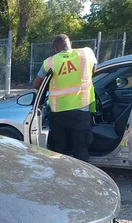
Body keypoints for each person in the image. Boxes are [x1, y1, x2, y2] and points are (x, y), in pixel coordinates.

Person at [33, 34, 97, 162]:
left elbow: (37, 84)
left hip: (59, 112)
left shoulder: (49, 62)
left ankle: (59, 173)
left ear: (55, 48)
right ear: (70, 44)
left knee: (58, 150)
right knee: (81, 149)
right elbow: (94, 70)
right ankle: (82, 173)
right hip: (81, 110)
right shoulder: (86, 53)